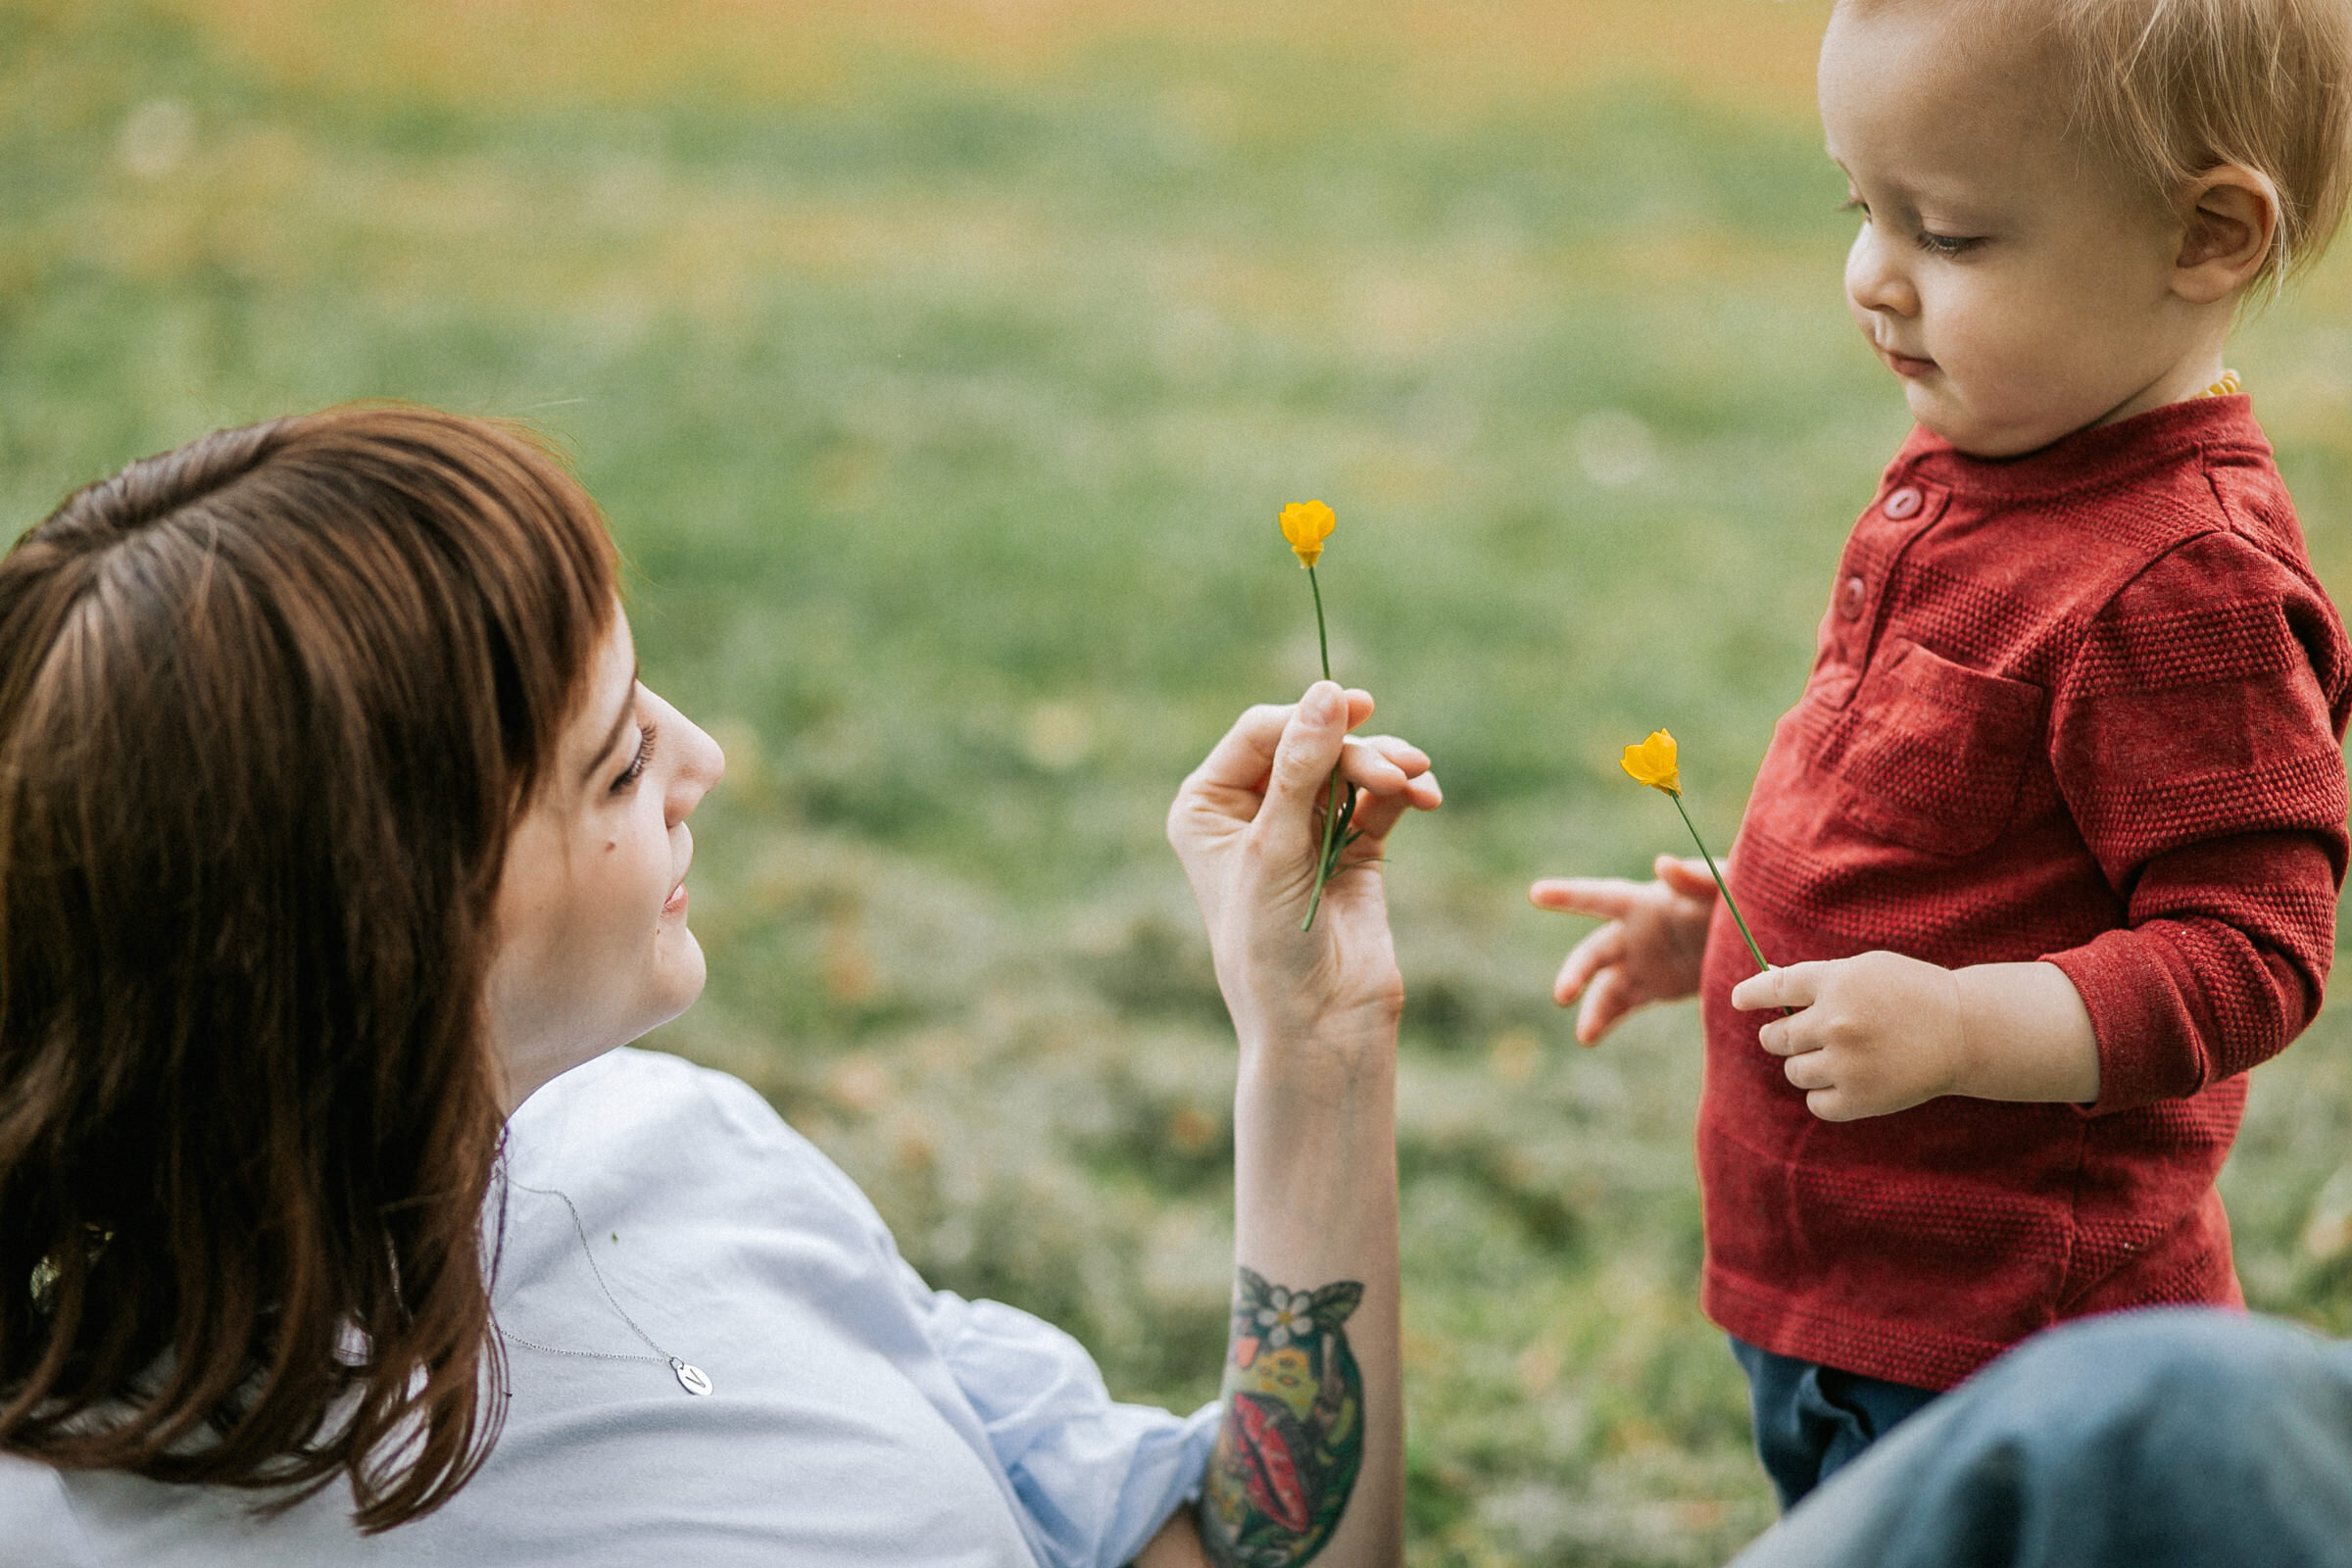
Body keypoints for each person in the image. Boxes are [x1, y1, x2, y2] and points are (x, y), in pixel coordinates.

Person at [0, 406, 1441, 1566]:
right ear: (388, 935)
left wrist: (1314, 1045)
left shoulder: (686, 1146)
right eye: (619, 762)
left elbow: (1240, 1550)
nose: (705, 761)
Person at [1529, 0, 2352, 1510]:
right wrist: (1737, 941)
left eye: (1954, 237)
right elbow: (1966, 834)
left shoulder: (2188, 588)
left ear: (2207, 235)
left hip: (2012, 1342)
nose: (1872, 279)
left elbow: (2249, 956)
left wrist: (1965, 1028)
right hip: (1843, 1292)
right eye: (1863, 207)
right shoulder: (1990, 464)